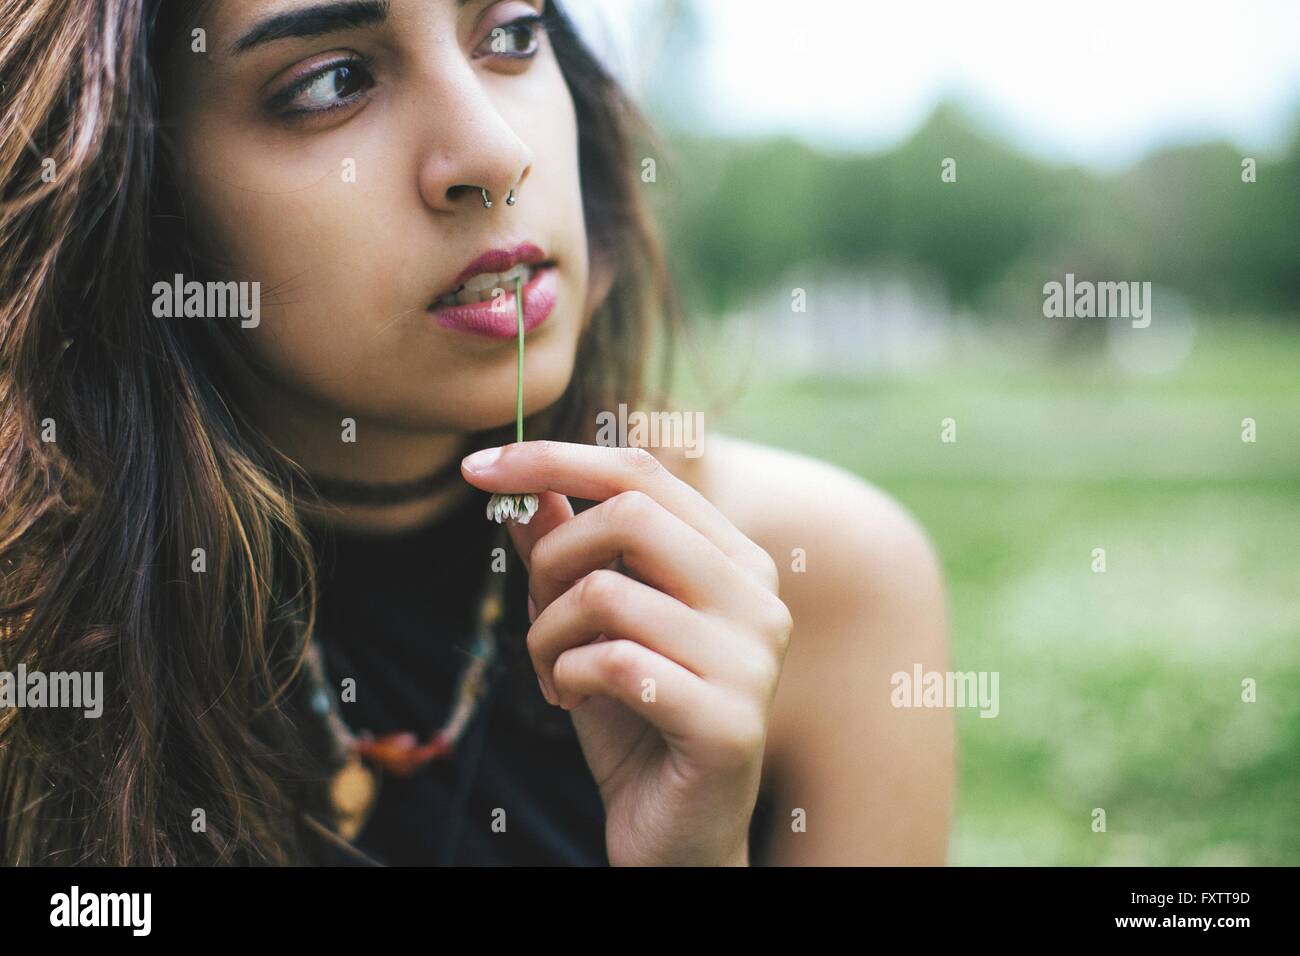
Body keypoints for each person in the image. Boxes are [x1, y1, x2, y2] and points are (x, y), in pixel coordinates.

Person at [0, 0, 953, 865]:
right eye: (333, 82)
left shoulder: (818, 579)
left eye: (510, 34)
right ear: (138, 193)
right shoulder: (37, 642)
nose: (496, 155)